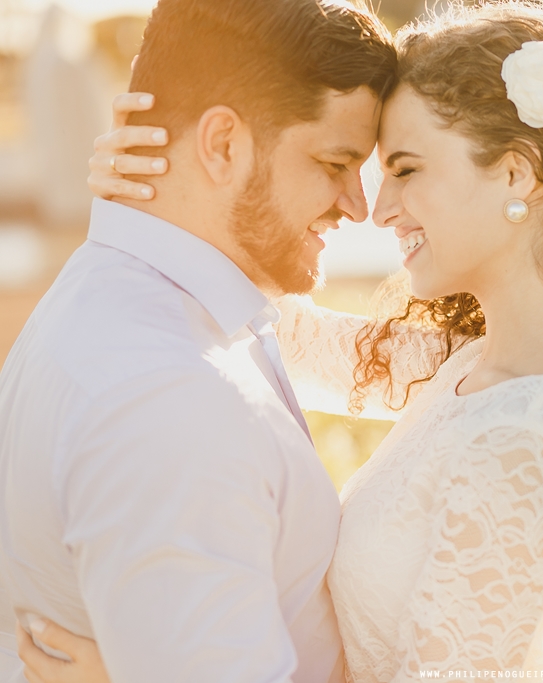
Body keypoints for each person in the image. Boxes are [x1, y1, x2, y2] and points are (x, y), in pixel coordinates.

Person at [15, 2, 543, 682]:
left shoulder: (531, 437)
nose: (375, 209)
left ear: (516, 174)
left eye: (405, 169)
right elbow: (295, 336)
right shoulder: (485, 360)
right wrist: (159, 187)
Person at [0, 0, 396, 681]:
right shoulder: (168, 399)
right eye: (336, 161)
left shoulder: (145, 295)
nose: (358, 205)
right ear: (221, 144)